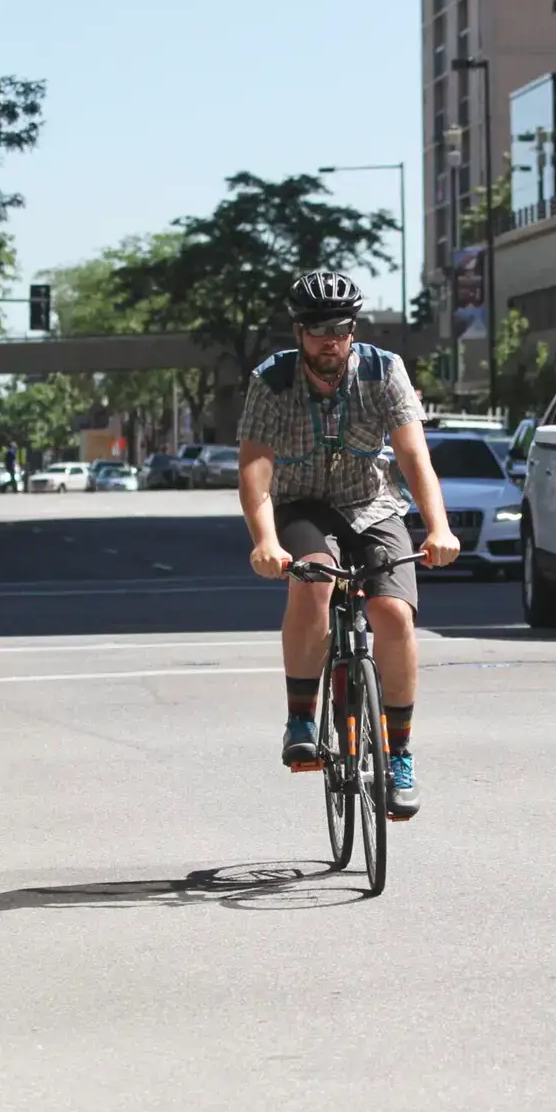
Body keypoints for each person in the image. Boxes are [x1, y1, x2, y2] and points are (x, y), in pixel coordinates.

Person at [238, 270, 459, 818]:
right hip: (302, 505)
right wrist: (265, 540)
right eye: (317, 331)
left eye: (339, 329)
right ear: (298, 333)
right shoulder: (272, 380)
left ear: (352, 330)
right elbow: (255, 472)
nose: (329, 341)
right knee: (312, 580)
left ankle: (399, 755)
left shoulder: (385, 372)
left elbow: (413, 458)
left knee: (393, 613)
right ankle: (300, 718)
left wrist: (438, 528)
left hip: (373, 504)